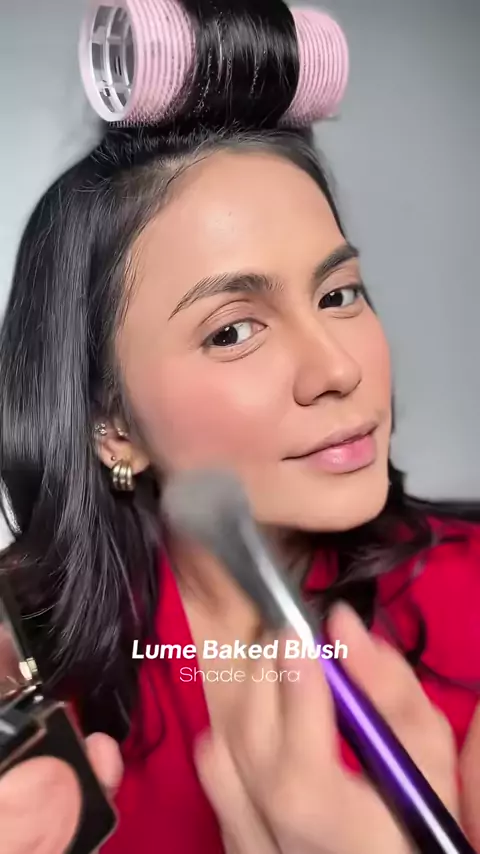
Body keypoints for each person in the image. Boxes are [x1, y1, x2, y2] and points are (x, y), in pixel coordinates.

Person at [0, 0, 479, 851]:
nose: (337, 369)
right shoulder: (30, 671)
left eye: (339, 294)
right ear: (113, 426)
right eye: (232, 331)